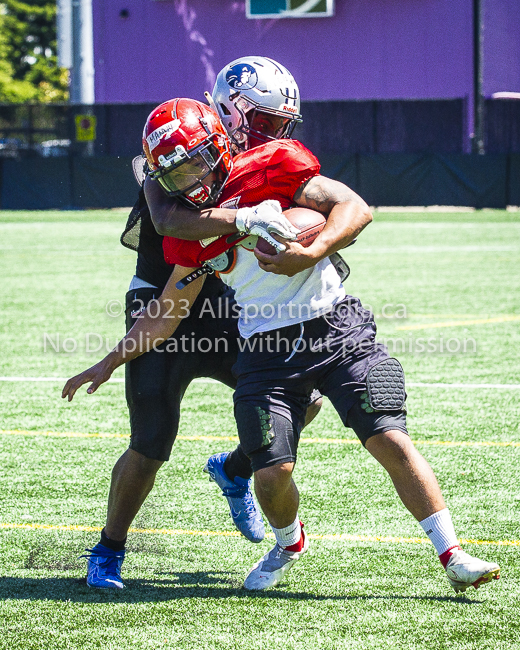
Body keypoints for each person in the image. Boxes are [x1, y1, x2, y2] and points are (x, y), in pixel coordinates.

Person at [63, 94, 500, 595]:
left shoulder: (276, 166)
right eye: (178, 177)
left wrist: (310, 249)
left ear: (221, 144)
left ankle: (452, 553)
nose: (194, 184)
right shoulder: (190, 229)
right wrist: (110, 360)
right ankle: (279, 539)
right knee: (247, 468)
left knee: (388, 437)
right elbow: (165, 313)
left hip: (338, 331)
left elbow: (353, 207)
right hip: (266, 347)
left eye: (197, 166)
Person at [64, 57, 323, 590]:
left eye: (279, 124)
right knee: (151, 439)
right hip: (164, 299)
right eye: (266, 121)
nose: (273, 133)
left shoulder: (259, 158)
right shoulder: (182, 141)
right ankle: (108, 548)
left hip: (222, 297)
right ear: (231, 111)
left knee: (305, 398)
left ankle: (233, 469)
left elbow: (315, 206)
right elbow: (168, 218)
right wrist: (248, 217)